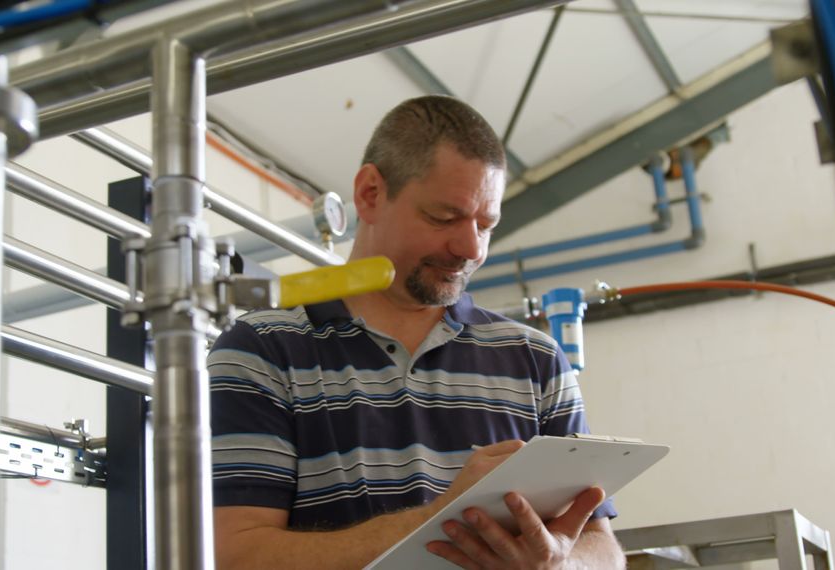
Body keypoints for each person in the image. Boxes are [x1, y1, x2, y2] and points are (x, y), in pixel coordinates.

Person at [209, 95, 625, 569]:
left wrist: (557, 564)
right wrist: (443, 519)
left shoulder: (535, 360)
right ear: (369, 193)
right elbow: (235, 556)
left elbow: (603, 548)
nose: (469, 247)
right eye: (444, 217)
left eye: (486, 225)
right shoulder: (262, 351)